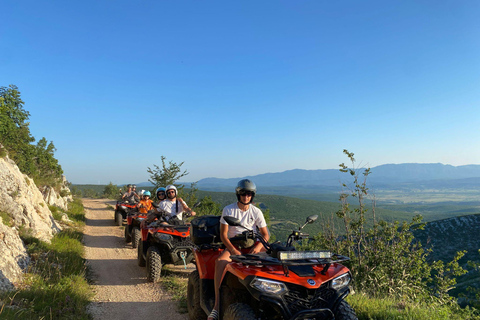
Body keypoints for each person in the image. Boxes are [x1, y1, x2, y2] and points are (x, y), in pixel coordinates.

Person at [208, 179, 269, 320]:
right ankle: (217, 306)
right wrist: (233, 250)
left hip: (253, 245)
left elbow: (265, 234)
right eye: (243, 194)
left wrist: (259, 247)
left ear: (252, 195)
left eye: (249, 194)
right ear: (238, 194)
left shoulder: (256, 212)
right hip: (234, 245)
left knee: (269, 266)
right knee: (221, 263)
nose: (246, 197)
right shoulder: (229, 210)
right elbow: (223, 235)